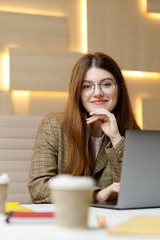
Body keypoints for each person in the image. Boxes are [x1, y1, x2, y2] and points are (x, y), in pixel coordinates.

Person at [28, 52, 140, 203]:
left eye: (106, 84)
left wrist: (116, 139)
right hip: (60, 218)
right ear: (78, 93)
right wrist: (95, 195)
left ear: (118, 89)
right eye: (87, 86)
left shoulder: (132, 133)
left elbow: (134, 190)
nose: (98, 93)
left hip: (111, 219)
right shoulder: (54, 125)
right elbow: (38, 187)